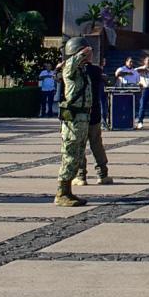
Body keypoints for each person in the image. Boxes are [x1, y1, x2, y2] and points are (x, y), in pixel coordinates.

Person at [54, 37, 94, 205]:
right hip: (73, 121)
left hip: (83, 119)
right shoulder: (69, 69)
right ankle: (61, 193)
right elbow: (72, 62)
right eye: (87, 52)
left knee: (77, 156)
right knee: (70, 155)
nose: (91, 55)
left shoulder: (82, 71)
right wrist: (83, 52)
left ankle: (68, 191)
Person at [83, 46, 112, 182]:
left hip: (78, 116)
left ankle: (80, 175)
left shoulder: (72, 71)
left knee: (78, 146)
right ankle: (102, 174)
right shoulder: (96, 70)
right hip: (94, 113)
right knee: (96, 145)